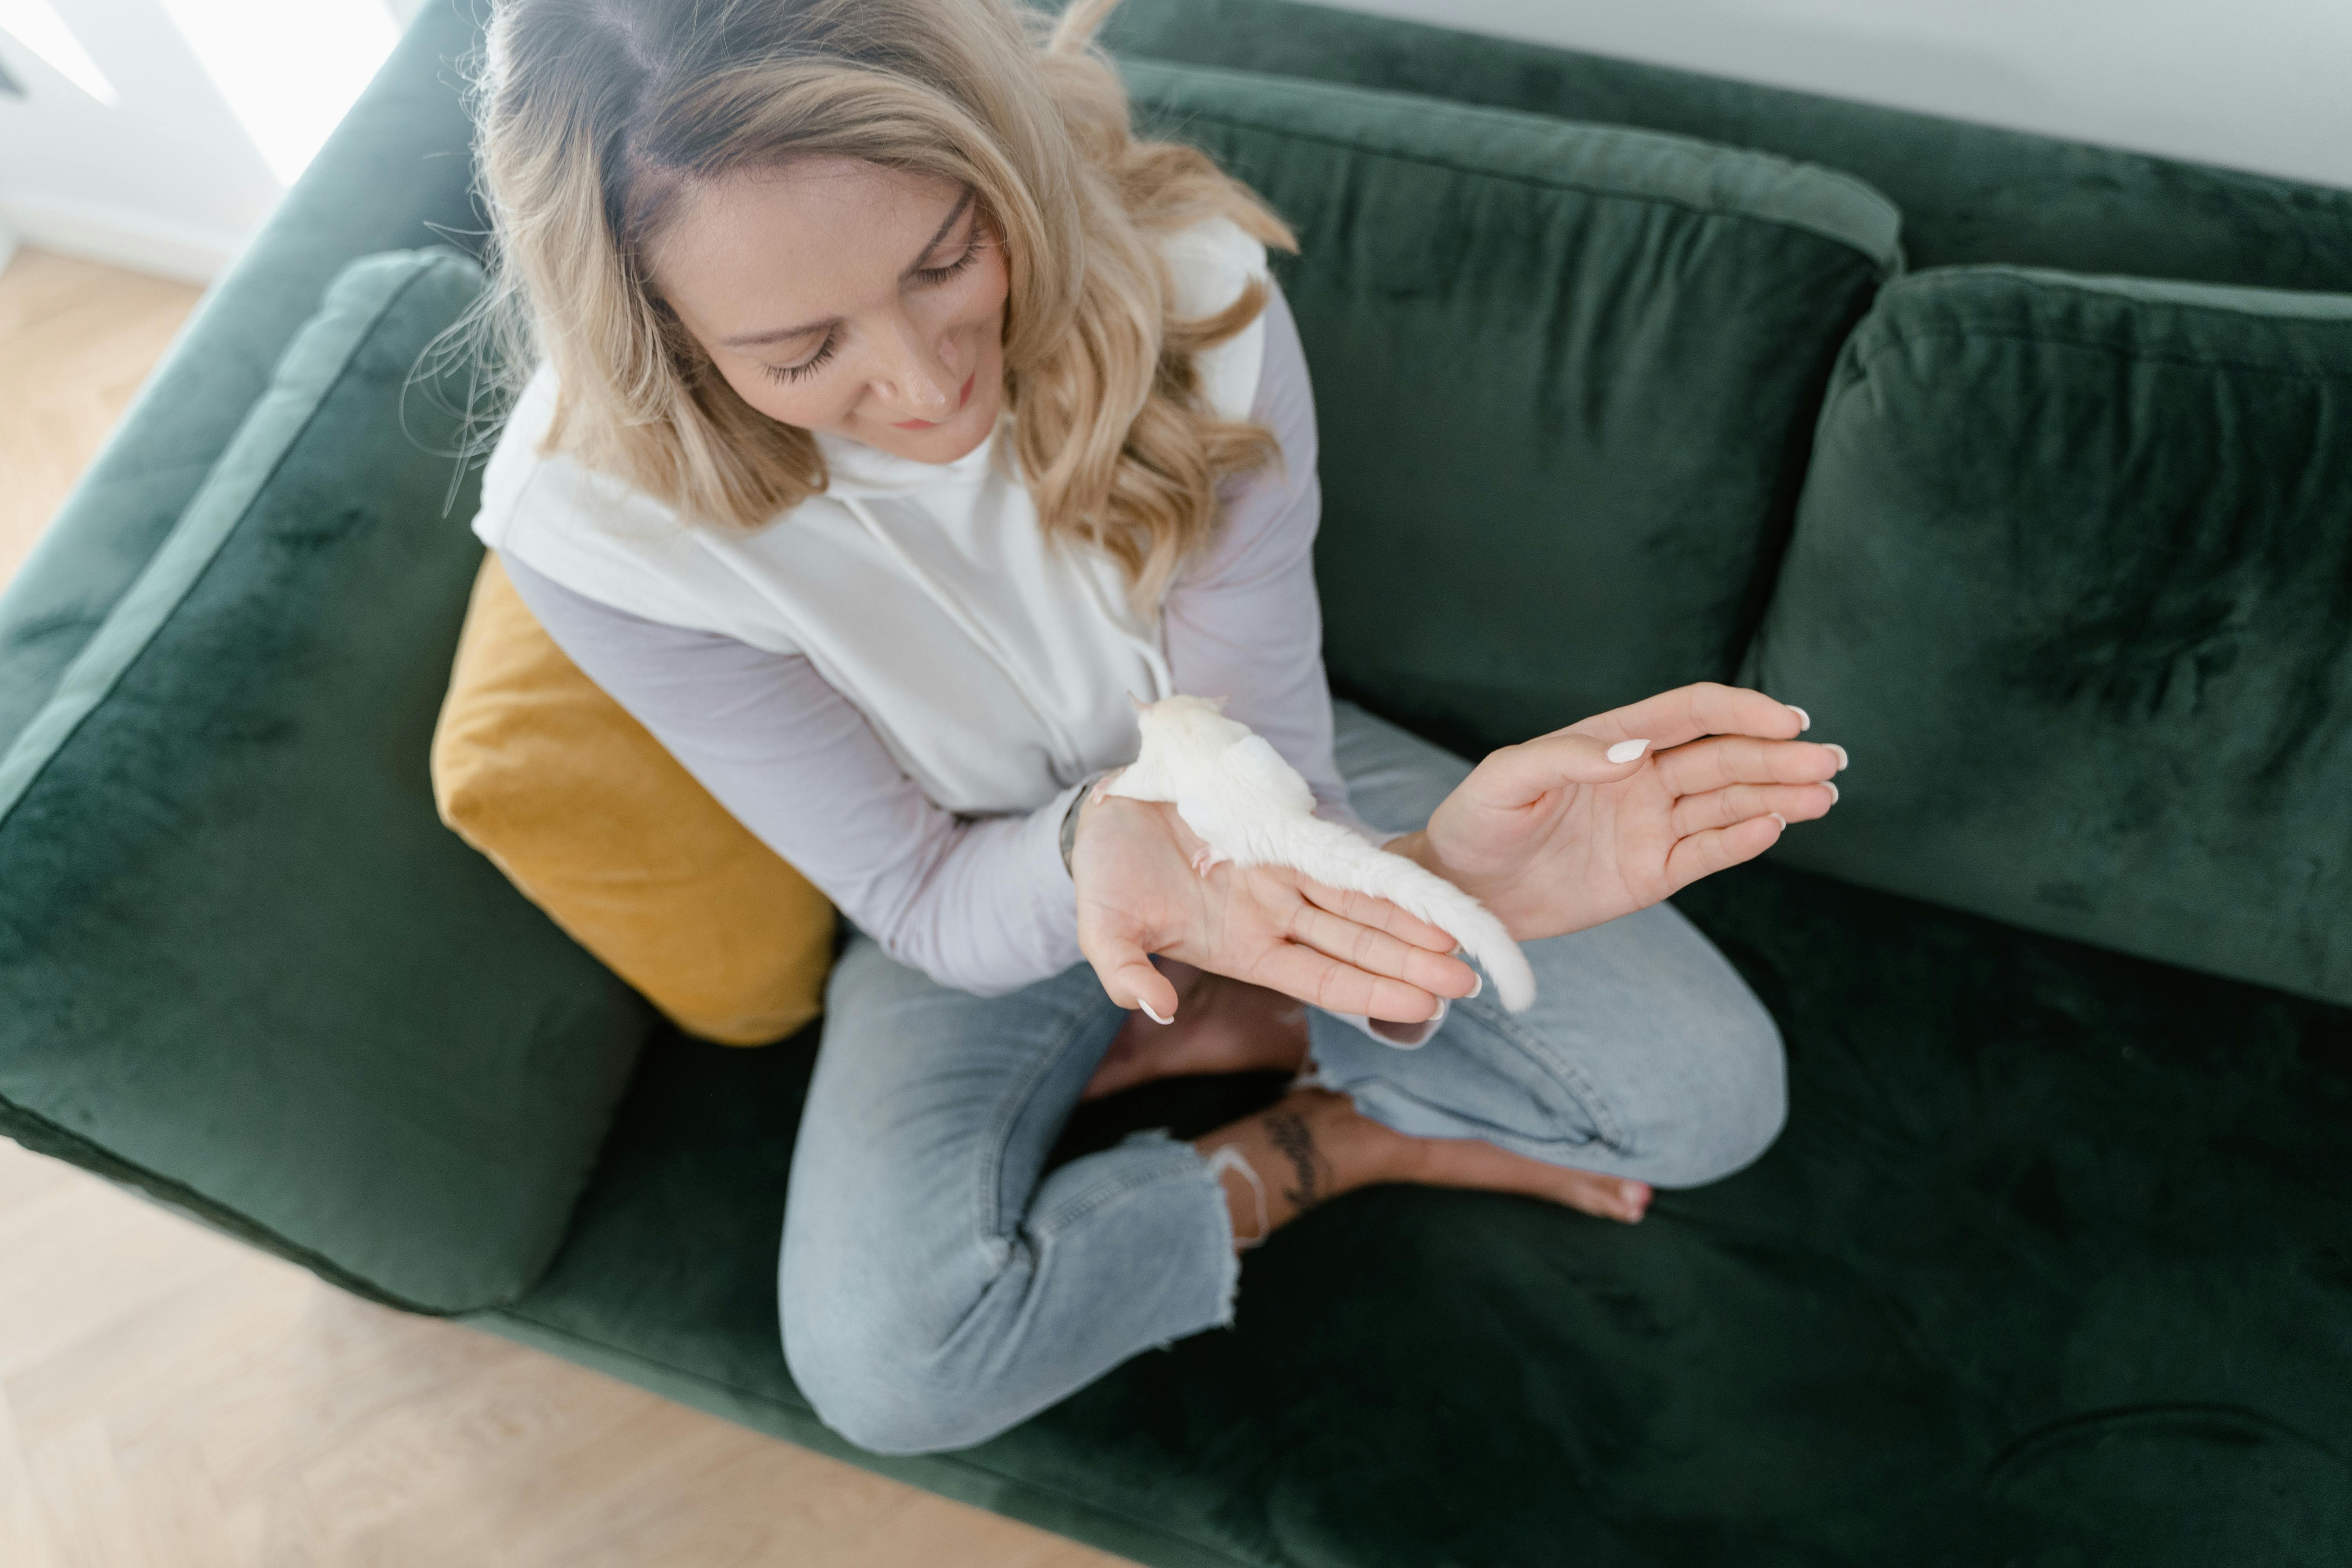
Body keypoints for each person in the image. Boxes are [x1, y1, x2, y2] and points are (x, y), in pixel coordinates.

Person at [464, 0, 1845, 1456]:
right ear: (659, 336)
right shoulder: (590, 529)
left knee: (1713, 1099)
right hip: (988, 885)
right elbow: (923, 896)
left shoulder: (1184, 283)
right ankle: (1327, 1140)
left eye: (946, 259)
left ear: (993, 164)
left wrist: (1440, 876)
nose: (930, 384)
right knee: (893, 1372)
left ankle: (1247, 1031)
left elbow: (1275, 783)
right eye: (804, 353)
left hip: (1268, 792)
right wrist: (1097, 858)